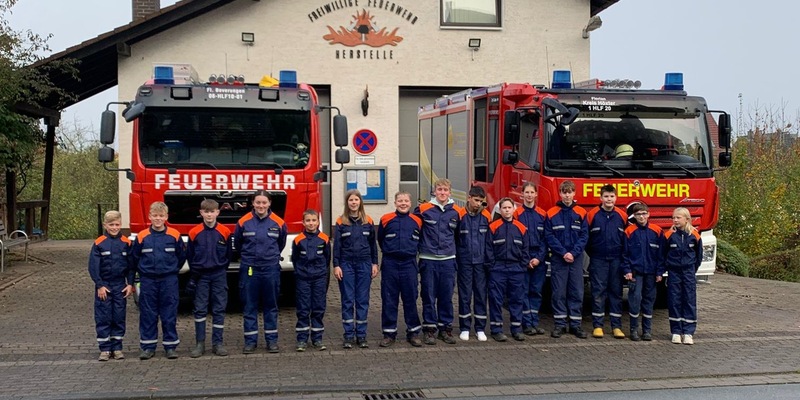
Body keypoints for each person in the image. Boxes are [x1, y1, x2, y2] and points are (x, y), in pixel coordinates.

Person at [234, 190, 288, 354]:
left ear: (269, 203)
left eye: (264, 202)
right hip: (250, 269)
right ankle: (250, 342)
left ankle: (272, 341)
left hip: (270, 268)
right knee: (249, 306)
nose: (261, 206)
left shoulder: (279, 222)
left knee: (271, 306)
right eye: (258, 202)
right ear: (252, 203)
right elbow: (238, 244)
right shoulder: (243, 222)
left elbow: (281, 243)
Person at [131, 202, 186, 360]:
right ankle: (148, 347)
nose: (158, 219)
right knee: (148, 314)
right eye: (155, 215)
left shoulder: (174, 235)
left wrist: (172, 270)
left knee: (169, 314)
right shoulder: (142, 236)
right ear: (149, 217)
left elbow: (181, 257)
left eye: (161, 216)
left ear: (166, 217)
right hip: (148, 280)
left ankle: (170, 347)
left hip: (169, 280)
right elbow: (134, 258)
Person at [414, 178, 462, 345]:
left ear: (450, 192)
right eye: (439, 189)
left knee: (446, 296)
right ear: (434, 191)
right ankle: (429, 330)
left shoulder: (457, 211)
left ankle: (445, 329)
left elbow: (459, 236)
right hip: (428, 260)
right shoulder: (423, 209)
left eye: (445, 190)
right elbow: (415, 230)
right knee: (428, 295)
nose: (442, 193)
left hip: (448, 260)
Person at [333, 189, 379, 349]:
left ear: (360, 202)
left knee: (362, 300)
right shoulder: (341, 222)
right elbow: (336, 246)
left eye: (356, 200)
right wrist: (336, 265)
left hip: (364, 264)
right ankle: (348, 335)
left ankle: (361, 335)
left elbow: (373, 245)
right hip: (346, 265)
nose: (353, 203)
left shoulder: (368, 221)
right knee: (347, 300)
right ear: (347, 203)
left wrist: (375, 263)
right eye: (351, 200)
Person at [377, 191, 423, 348]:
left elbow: (420, 240)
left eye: (406, 201)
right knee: (389, 299)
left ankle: (414, 333)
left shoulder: (417, 220)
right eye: (400, 201)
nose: (403, 203)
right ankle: (389, 334)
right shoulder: (386, 219)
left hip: (409, 264)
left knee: (410, 298)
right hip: (390, 263)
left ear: (410, 203)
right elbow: (380, 239)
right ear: (395, 203)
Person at [186, 199, 232, 358]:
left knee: (219, 309)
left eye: (212, 212)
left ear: (218, 212)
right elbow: (190, 255)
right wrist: (195, 274)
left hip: (219, 275)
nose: (209, 215)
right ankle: (200, 344)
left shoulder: (225, 231)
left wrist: (220, 268)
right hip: (201, 277)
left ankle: (218, 343)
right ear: (201, 213)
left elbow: (228, 255)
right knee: (200, 309)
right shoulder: (194, 232)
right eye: (206, 212)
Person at [88, 210, 135, 361]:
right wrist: (100, 285)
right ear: (105, 225)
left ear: (121, 225)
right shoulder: (99, 243)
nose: (114, 227)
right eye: (111, 225)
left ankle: (117, 348)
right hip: (105, 287)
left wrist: (130, 284)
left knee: (119, 316)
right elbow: (93, 267)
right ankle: (105, 349)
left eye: (117, 224)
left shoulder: (127, 243)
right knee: (103, 316)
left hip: (120, 285)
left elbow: (131, 266)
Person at [545, 180, 589, 339]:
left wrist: (573, 253)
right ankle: (560, 325)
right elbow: (549, 236)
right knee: (558, 292)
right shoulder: (551, 213)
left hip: (575, 259)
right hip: (559, 258)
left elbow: (584, 236)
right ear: (560, 194)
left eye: (570, 192)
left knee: (576, 291)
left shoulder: (581, 212)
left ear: (574, 193)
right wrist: (564, 253)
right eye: (564, 193)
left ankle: (575, 325)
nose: (567, 196)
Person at [586, 184, 628, 339]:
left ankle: (616, 327)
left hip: (616, 260)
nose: (609, 199)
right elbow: (586, 238)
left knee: (616, 292)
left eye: (611, 196)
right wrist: (594, 254)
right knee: (598, 292)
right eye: (606, 196)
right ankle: (598, 326)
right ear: (601, 198)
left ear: (616, 198)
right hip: (598, 260)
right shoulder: (592, 215)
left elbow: (626, 239)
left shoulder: (622, 216)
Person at [487, 197, 530, 342]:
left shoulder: (521, 228)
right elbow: (488, 249)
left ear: (513, 209)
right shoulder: (493, 227)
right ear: (500, 210)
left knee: (516, 300)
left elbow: (526, 249)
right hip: (498, 269)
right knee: (496, 300)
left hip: (516, 269)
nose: (507, 210)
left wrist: (522, 266)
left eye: (509, 208)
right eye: (504, 208)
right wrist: (492, 266)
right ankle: (496, 330)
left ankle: (516, 329)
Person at [455, 186, 493, 342]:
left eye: (481, 201)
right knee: (464, 295)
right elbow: (455, 239)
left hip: (481, 264)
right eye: (476, 200)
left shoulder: (486, 216)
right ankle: (464, 328)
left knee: (481, 295)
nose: (478, 204)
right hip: (464, 262)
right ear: (469, 198)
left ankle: (480, 328)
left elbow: (490, 241)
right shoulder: (459, 215)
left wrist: (489, 261)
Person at [622, 203, 664, 342]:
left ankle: (647, 331)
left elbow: (661, 254)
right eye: (638, 214)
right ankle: (633, 330)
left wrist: (659, 272)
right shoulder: (629, 231)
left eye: (644, 214)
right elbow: (624, 253)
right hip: (635, 273)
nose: (641, 217)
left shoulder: (657, 231)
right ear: (634, 216)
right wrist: (627, 270)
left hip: (651, 273)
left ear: (648, 214)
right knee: (634, 300)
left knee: (649, 300)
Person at [291, 209, 331, 352]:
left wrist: (321, 272)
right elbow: (295, 259)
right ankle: (302, 339)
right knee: (303, 308)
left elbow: (327, 258)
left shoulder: (324, 239)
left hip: (319, 278)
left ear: (318, 222)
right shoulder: (298, 240)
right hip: (303, 279)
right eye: (308, 220)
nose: (311, 223)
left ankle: (317, 339)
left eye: (314, 220)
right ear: (303, 222)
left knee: (318, 308)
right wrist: (301, 272)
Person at [663, 207, 702, 345]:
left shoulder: (695, 236)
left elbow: (699, 256)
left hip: (688, 272)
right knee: (674, 301)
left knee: (689, 301)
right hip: (674, 273)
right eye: (673, 217)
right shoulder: (669, 235)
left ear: (687, 219)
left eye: (678, 217)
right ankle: (676, 331)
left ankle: (688, 332)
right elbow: (663, 254)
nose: (675, 220)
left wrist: (691, 269)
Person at [514, 183, 548, 336]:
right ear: (522, 194)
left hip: (538, 259)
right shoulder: (517, 214)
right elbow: (516, 238)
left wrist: (539, 258)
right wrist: (526, 259)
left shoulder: (542, 214)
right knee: (524, 292)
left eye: (531, 192)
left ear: (536, 194)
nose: (529, 195)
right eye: (526, 192)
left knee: (536, 291)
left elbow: (545, 239)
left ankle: (535, 322)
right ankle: (526, 323)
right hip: (523, 259)